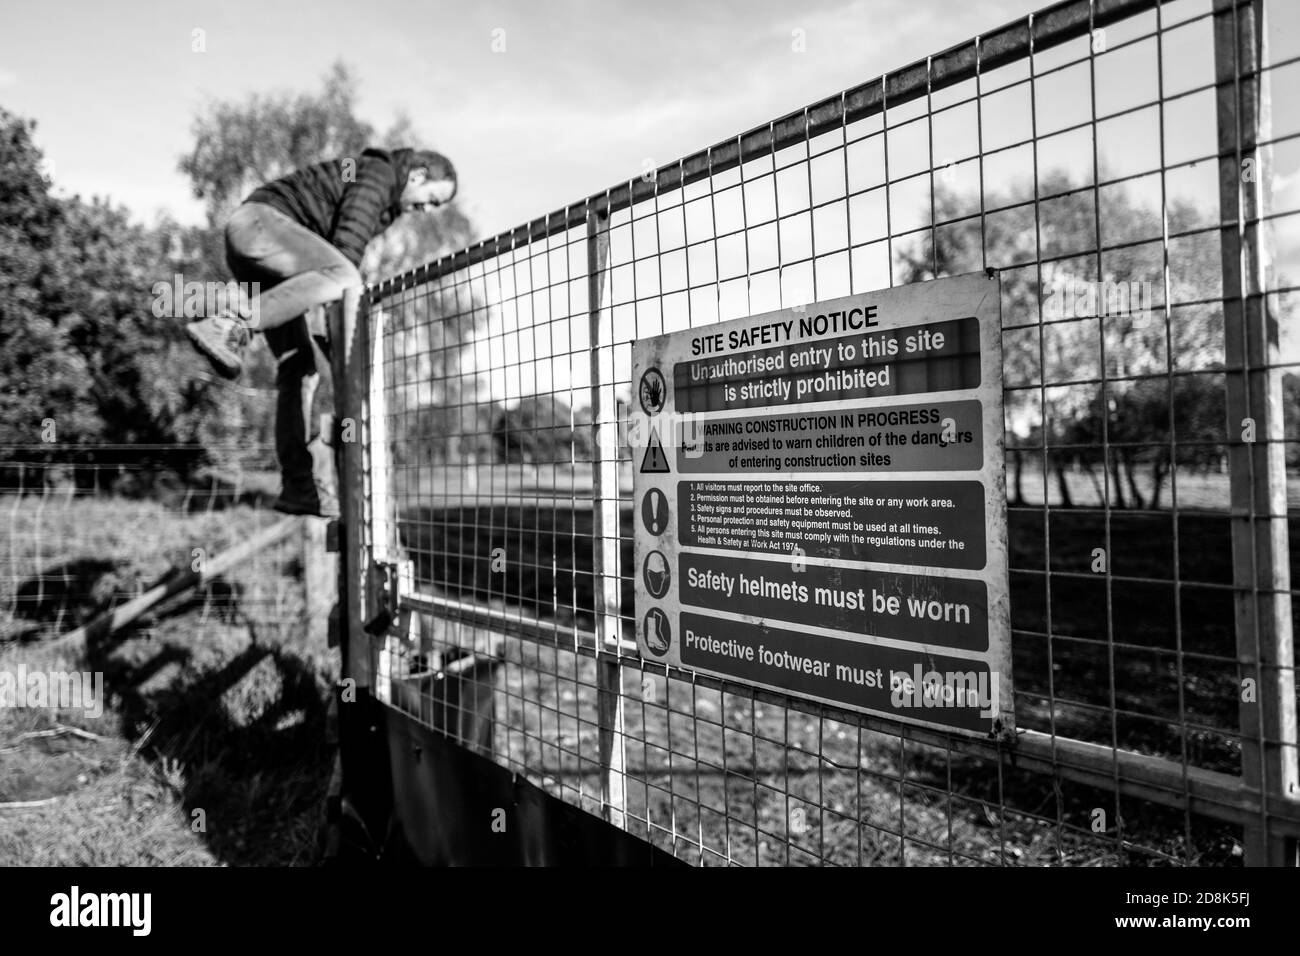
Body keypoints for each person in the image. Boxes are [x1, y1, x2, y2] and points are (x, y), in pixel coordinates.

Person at [185, 147, 457, 516]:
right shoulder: (381, 173)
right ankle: (231, 322)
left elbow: (322, 266)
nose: (426, 211)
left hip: (260, 248)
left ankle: (298, 486)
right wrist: (343, 334)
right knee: (346, 276)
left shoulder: (383, 190)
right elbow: (344, 254)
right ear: (418, 175)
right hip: (260, 226)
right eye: (431, 200)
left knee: (300, 369)